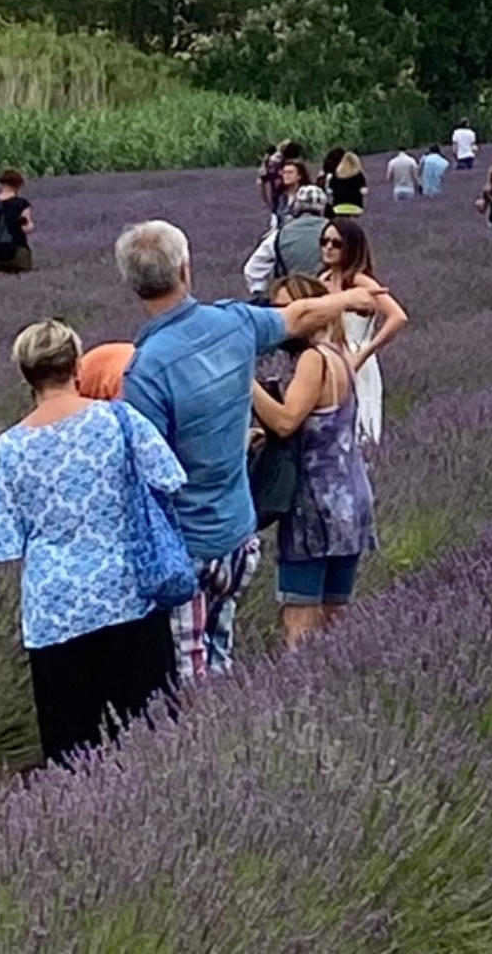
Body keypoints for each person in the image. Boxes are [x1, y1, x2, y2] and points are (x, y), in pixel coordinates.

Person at [115, 220, 377, 683]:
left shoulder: (146, 370)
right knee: (220, 644)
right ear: (185, 268)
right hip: (237, 535)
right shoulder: (230, 322)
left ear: (131, 283)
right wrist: (344, 300)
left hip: (189, 541)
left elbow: (146, 471)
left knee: (186, 666)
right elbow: (293, 319)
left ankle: (202, 743)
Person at [0, 320, 182, 766]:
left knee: (71, 755)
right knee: (156, 741)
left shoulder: (9, 449)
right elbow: (170, 478)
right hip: (127, 594)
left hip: (54, 613)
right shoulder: (119, 419)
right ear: (77, 364)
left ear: (25, 374)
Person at [250, 276, 378, 647]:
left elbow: (287, 422)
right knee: (336, 616)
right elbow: (321, 424)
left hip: (314, 507)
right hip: (350, 499)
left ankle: (300, 697)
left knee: (301, 620)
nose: (282, 319)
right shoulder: (340, 355)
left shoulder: (312, 359)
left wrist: (245, 379)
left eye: (289, 309)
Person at [320, 217, 409, 450]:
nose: (328, 247)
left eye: (336, 243)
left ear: (350, 248)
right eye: (324, 241)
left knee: (361, 427)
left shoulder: (359, 281)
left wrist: (364, 353)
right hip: (328, 359)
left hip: (355, 359)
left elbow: (398, 317)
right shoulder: (323, 280)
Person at [243, 184, 330, 297]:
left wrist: (261, 293)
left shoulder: (280, 233)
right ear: (323, 207)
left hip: (291, 295)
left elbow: (253, 269)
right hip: (328, 296)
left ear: (297, 205)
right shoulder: (336, 231)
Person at [0, 169, 35, 274]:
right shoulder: (22, 203)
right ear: (18, 184)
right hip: (16, 252)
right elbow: (27, 229)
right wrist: (27, 223)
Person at [328, 152, 368, 216]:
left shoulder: (336, 175)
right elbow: (364, 191)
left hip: (338, 207)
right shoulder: (359, 175)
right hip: (355, 207)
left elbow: (330, 191)